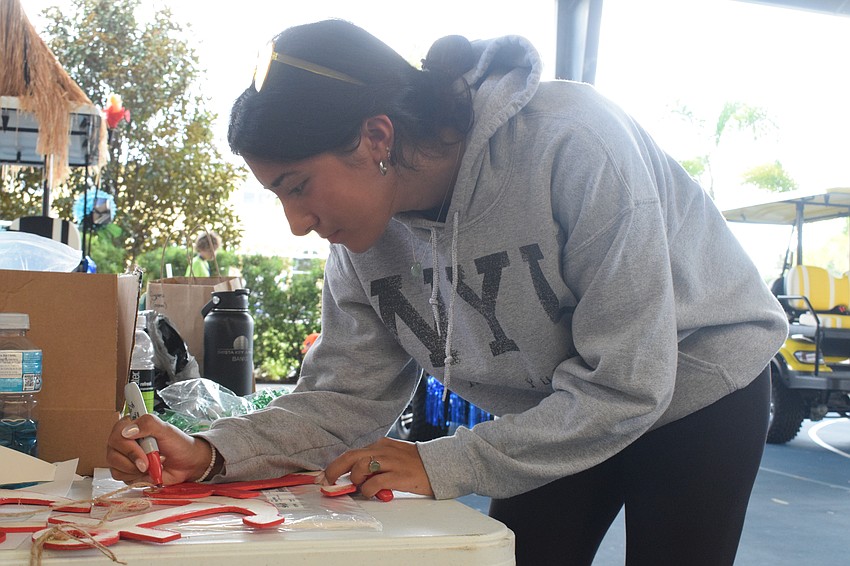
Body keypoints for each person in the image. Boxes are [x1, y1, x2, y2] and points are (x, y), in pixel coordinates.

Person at [108, 19, 788, 565]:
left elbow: (631, 383)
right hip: (556, 407)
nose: (297, 223)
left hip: (696, 386)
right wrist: (213, 452)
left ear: (376, 135)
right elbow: (342, 401)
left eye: (297, 186)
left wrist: (442, 461)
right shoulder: (362, 239)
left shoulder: (573, 142)